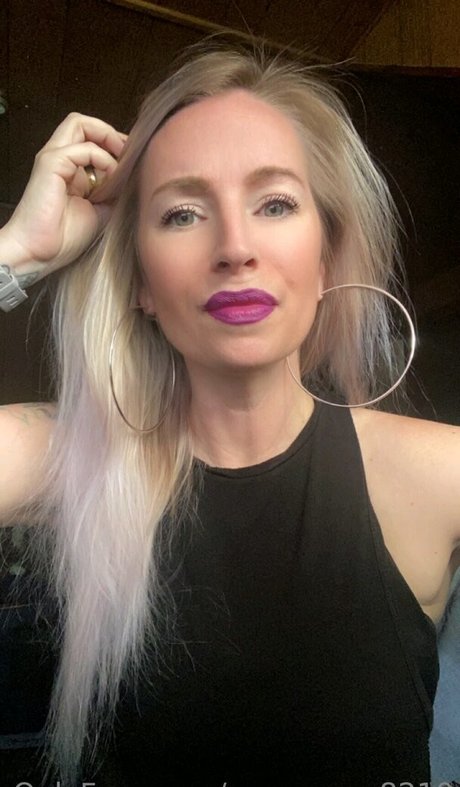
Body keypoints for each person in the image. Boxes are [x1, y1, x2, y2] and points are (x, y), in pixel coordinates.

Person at [0, 43, 459, 786]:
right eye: (183, 213)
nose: (235, 248)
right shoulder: (71, 458)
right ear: (140, 281)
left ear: (325, 257)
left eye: (274, 204)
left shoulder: (441, 475)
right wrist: (19, 254)